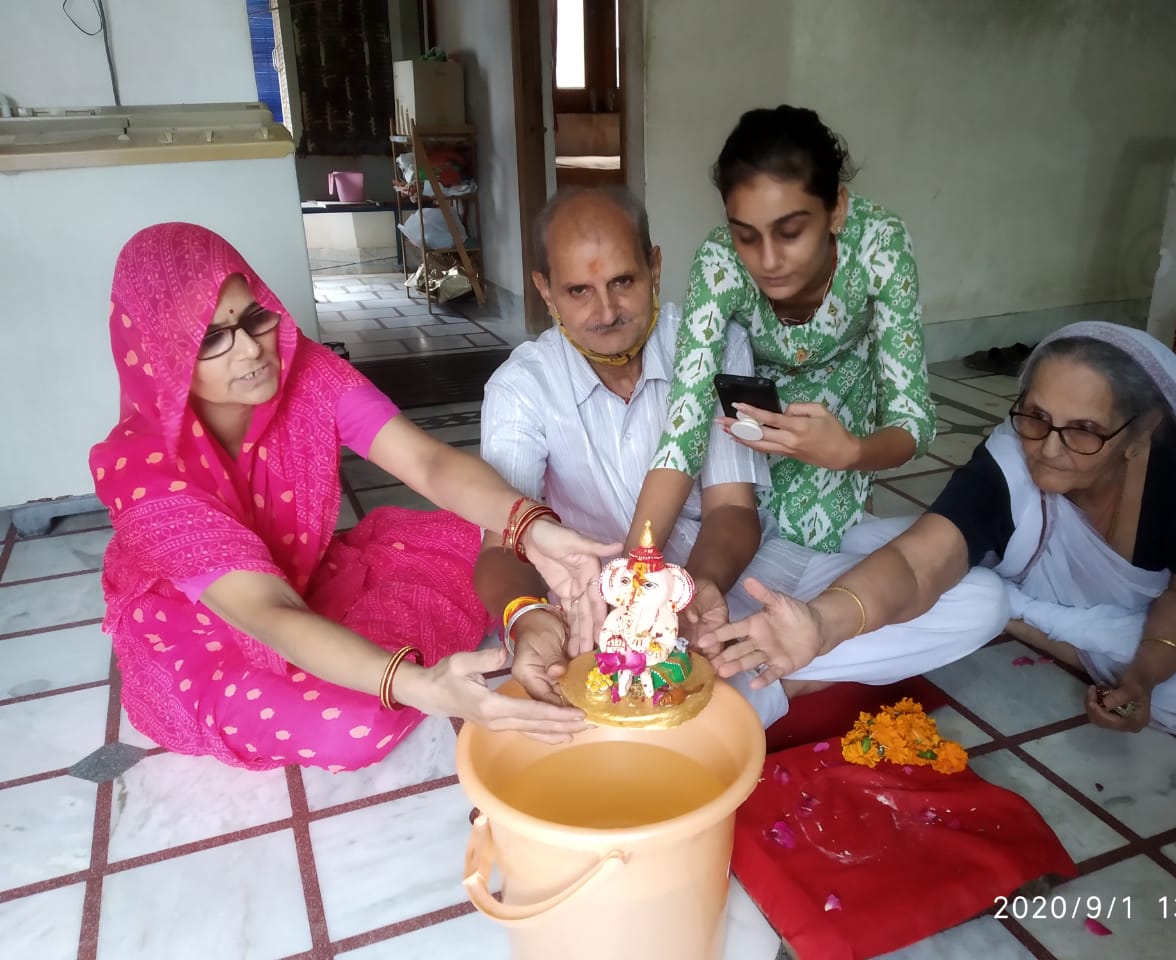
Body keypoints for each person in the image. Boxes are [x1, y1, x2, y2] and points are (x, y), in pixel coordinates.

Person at [89, 223, 616, 772]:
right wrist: (419, 683)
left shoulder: (305, 372)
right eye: (210, 338)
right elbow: (269, 613)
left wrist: (531, 528)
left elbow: (428, 463)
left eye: (252, 318)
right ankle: (387, 669)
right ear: (161, 354)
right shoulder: (143, 475)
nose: (249, 349)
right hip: (208, 630)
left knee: (486, 535)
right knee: (359, 723)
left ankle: (382, 652)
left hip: (300, 578)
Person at [472, 187, 1006, 728]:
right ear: (545, 290)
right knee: (633, 700)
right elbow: (500, 547)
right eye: (579, 290)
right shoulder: (521, 386)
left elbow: (732, 510)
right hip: (605, 611)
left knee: (978, 602)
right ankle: (771, 682)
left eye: (623, 282)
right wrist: (528, 616)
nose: (606, 311)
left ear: (655, 268)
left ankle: (769, 680)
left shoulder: (711, 341)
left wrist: (698, 594)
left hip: (728, 579)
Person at [708, 322, 1176, 741]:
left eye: (1084, 431)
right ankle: (1024, 616)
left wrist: (1148, 674)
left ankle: (1022, 616)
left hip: (1146, 623)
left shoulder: (1169, 480)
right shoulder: (1009, 459)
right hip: (1077, 614)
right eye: (1035, 418)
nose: (1049, 449)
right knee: (879, 554)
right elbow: (916, 564)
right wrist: (820, 622)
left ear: (1140, 432)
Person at [630, 105, 936, 554]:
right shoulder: (719, 262)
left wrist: (850, 452)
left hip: (843, 412)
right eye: (746, 236)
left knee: (828, 551)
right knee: (738, 541)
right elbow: (685, 424)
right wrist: (635, 564)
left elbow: (913, 420)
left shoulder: (879, 243)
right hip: (758, 415)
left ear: (837, 210)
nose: (767, 261)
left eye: (790, 232)